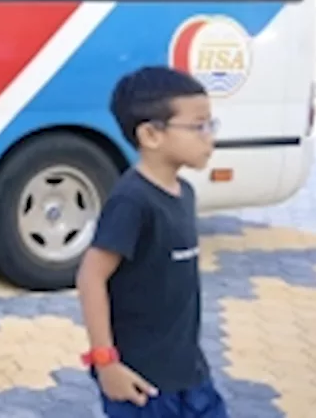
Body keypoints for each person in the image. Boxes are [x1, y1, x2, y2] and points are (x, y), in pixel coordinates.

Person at [75, 67, 226, 418]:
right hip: (142, 385)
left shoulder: (183, 192)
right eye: (198, 126)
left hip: (189, 373)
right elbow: (90, 276)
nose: (210, 137)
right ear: (151, 135)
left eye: (211, 125)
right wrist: (105, 363)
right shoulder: (132, 201)